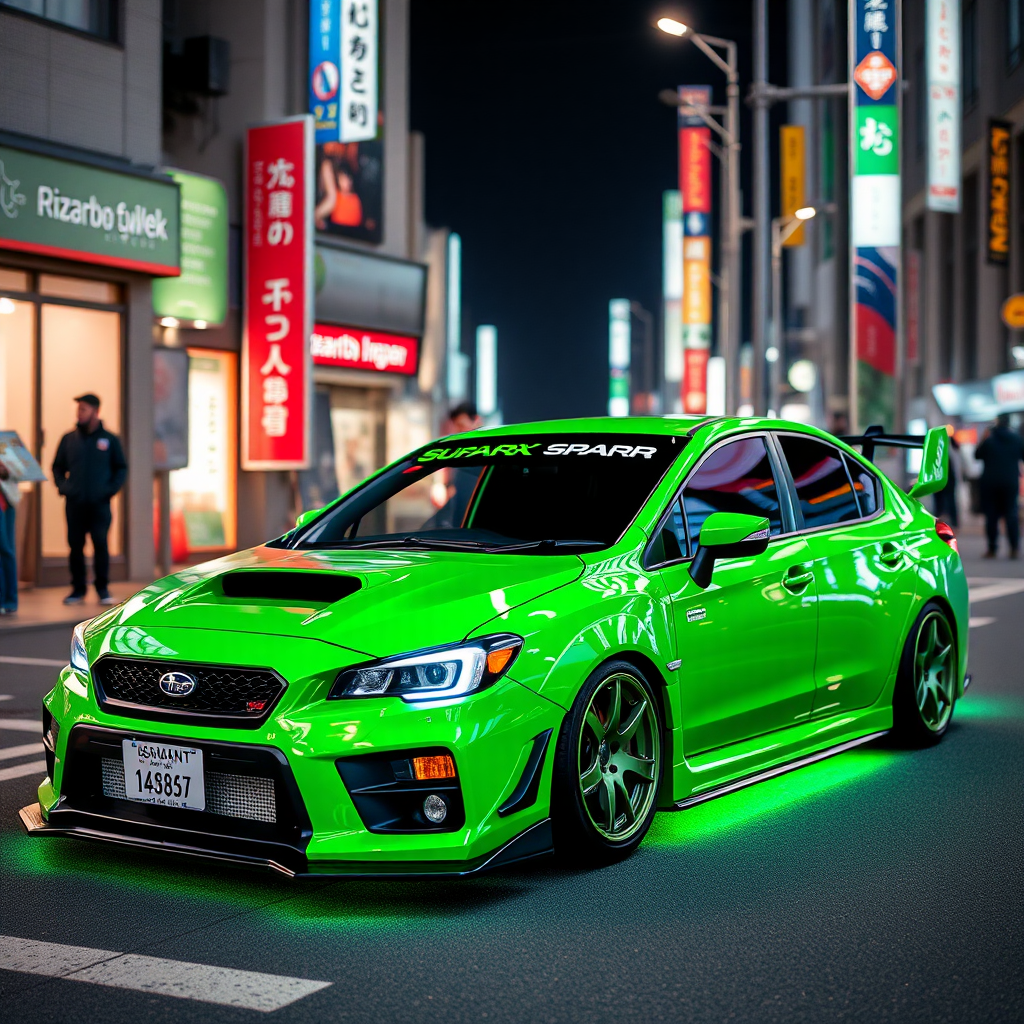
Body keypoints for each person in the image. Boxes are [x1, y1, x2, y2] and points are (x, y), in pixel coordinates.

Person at [51, 394, 127, 604]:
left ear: (95, 411)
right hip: (75, 503)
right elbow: (57, 467)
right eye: (78, 409)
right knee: (75, 546)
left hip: (100, 504)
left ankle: (102, 589)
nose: (79, 413)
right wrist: (64, 487)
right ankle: (77, 589)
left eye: (83, 409)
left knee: (100, 544)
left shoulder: (110, 440)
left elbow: (120, 468)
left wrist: (109, 491)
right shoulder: (69, 439)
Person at [975, 413, 1024, 559]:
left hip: (990, 482)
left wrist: (984, 438)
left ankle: (992, 548)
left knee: (991, 516)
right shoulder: (1016, 439)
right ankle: (1014, 548)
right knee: (1011, 514)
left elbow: (977, 455)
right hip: (1010, 482)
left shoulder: (989, 439)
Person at [0, 449, 20, 615]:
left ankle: (9, 600)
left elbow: (22, 471)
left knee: (5, 549)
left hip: (4, 502)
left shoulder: (7, 446)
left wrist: (6, 469)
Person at [933, 424, 961, 527]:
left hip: (944, 478)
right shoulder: (949, 445)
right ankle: (947, 521)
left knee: (944, 501)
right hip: (945, 478)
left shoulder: (946, 444)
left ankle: (952, 522)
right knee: (944, 501)